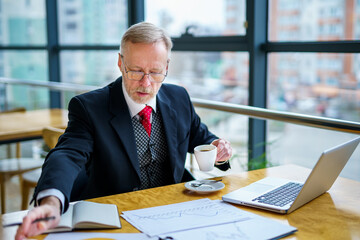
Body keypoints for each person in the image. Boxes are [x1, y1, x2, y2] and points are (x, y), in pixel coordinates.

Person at [15, 22, 232, 239]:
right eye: (136, 71)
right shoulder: (90, 107)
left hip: (172, 214)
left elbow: (200, 137)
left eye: (155, 72)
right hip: (115, 219)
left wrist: (218, 149)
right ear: (120, 63)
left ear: (166, 67)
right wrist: (52, 202)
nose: (146, 83)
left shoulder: (179, 98)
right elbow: (67, 154)